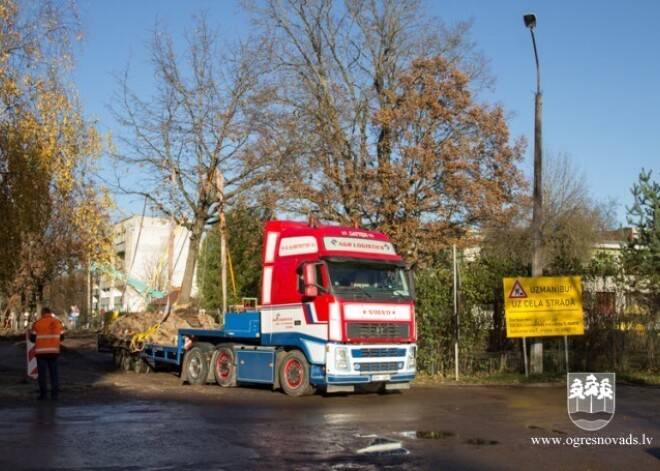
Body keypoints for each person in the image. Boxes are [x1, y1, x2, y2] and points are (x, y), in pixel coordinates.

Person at [30, 307, 64, 400]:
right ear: (50, 313)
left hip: (41, 353)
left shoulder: (37, 323)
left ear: (42, 313)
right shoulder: (58, 323)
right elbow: (62, 337)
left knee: (42, 375)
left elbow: (32, 338)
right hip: (54, 352)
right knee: (54, 374)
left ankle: (43, 395)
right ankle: (55, 394)